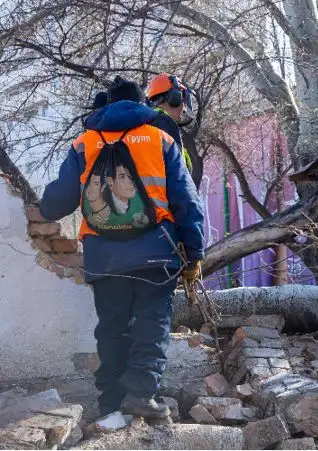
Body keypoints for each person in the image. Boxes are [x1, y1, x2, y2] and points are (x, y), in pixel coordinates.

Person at [37, 76, 205, 419]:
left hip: (104, 257)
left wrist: (37, 212)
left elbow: (59, 200)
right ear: (141, 105)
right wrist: (195, 251)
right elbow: (186, 200)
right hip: (157, 252)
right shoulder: (160, 138)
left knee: (111, 328)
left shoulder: (84, 143)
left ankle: (110, 402)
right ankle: (141, 394)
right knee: (152, 324)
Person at [146, 73, 194, 173]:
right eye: (182, 99)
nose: (183, 108)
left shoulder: (152, 122)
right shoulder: (165, 124)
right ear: (174, 99)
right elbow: (178, 172)